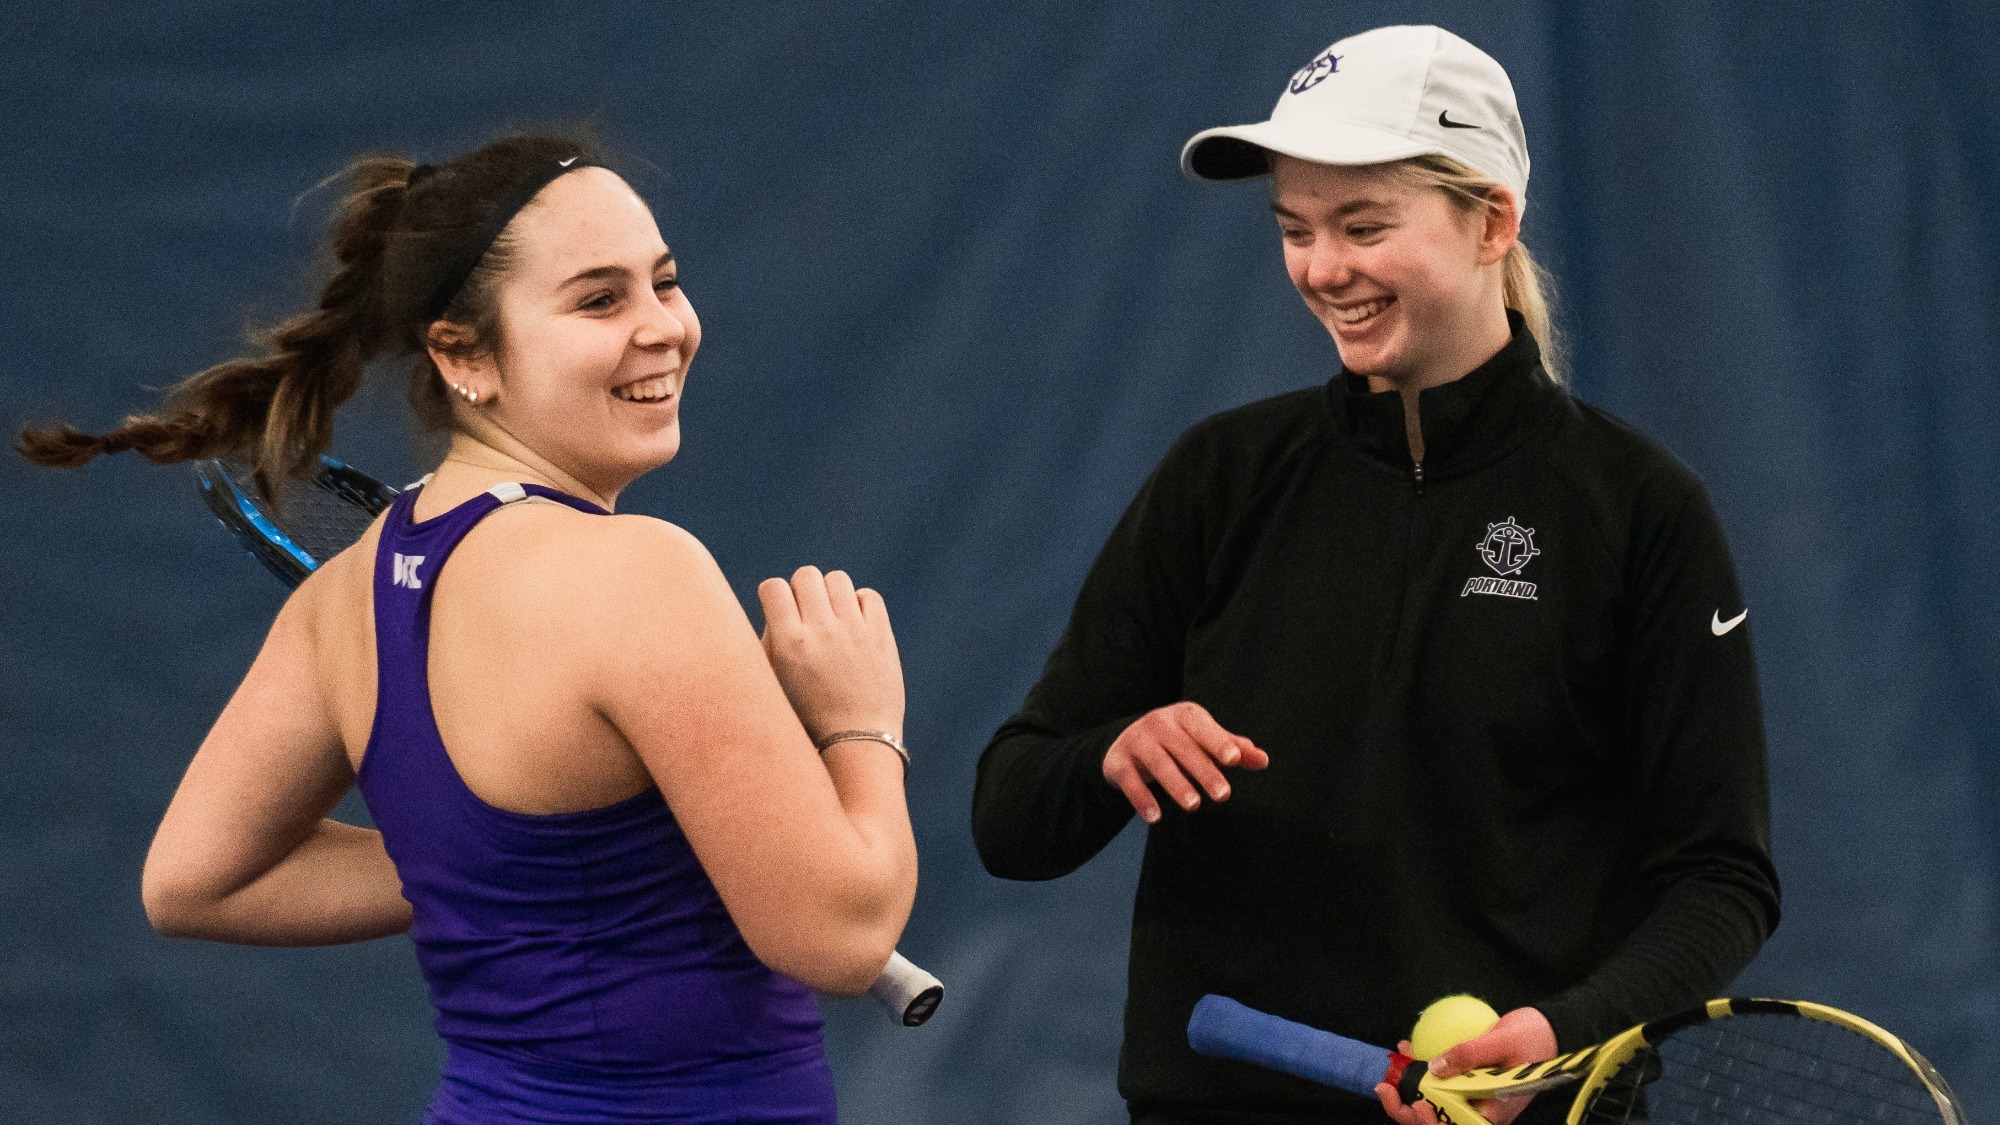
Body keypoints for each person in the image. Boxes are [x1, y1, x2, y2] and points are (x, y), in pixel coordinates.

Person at [970, 25, 1779, 1125]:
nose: (1319, 268)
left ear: (1491, 221)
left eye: (1361, 226)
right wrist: (1108, 755)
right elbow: (1010, 821)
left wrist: (1561, 1033)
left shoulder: (1637, 511)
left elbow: (1719, 880)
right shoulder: (1217, 478)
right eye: (1293, 230)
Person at [19, 135, 916, 1124]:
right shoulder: (640, 571)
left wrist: (505, 869)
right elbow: (840, 936)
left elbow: (194, 883)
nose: (664, 328)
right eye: (598, 300)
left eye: (663, 282)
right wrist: (858, 722)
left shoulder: (340, 602)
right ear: (462, 355)